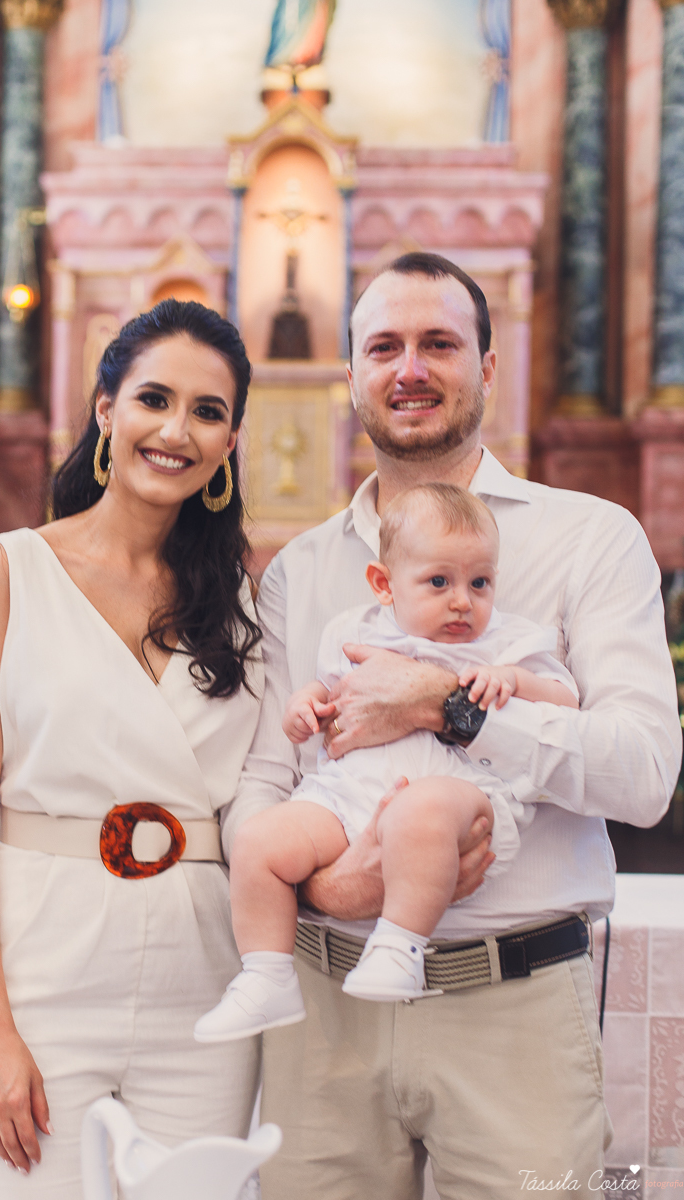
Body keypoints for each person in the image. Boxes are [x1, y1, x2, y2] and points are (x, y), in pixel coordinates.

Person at [222, 253, 682, 1199]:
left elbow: (642, 775)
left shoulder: (590, 538)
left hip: (512, 1004)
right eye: (384, 347)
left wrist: (446, 705)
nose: (411, 370)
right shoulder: (301, 573)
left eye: (440, 344)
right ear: (350, 373)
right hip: (324, 1006)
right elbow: (263, 782)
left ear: (489, 363)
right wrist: (336, 883)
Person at [0, 300, 265, 1198]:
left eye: (208, 411)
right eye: (154, 398)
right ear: (106, 408)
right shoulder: (12, 570)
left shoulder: (242, 607)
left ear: (229, 443)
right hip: (40, 972)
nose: (176, 430)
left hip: (203, 987)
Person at [195, 483, 578, 1038]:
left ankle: (401, 947)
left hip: (454, 791)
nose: (462, 601)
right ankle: (266, 973)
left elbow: (565, 699)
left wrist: (514, 680)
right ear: (384, 584)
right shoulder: (353, 633)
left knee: (417, 813)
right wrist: (304, 708)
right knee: (259, 841)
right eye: (439, 582)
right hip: (351, 794)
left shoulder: (505, 642)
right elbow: (327, 699)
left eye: (480, 583)